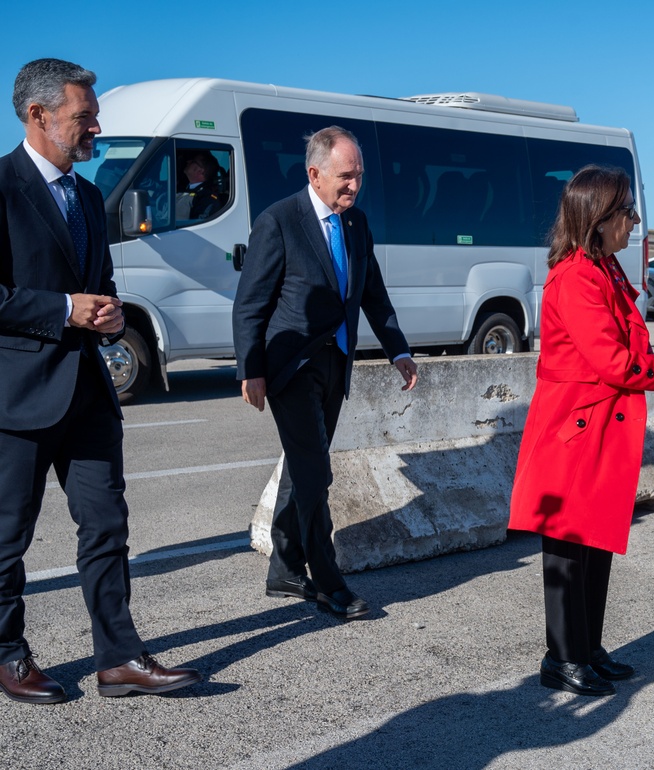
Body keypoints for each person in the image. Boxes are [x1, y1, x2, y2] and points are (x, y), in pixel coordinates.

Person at [0, 58, 201, 703]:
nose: (95, 127)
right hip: (19, 396)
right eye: (83, 117)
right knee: (8, 536)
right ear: (38, 116)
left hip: (88, 392)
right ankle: (7, 656)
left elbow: (100, 287)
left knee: (107, 527)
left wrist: (110, 316)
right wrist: (65, 309)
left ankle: (118, 658)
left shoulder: (87, 195)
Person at [508, 165, 654, 697]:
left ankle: (587, 646)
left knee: (593, 540)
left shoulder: (604, 267)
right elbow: (614, 362)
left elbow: (631, 350)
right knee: (568, 547)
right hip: (576, 427)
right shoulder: (577, 275)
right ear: (598, 218)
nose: (634, 222)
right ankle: (563, 655)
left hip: (596, 425)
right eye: (627, 212)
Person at [233, 126, 418, 620]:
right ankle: (328, 580)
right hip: (290, 367)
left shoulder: (355, 225)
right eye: (345, 176)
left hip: (336, 363)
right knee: (317, 473)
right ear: (314, 174)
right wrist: (250, 369)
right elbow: (250, 303)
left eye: (359, 176)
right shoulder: (279, 221)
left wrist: (398, 349)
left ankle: (285, 568)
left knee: (302, 469)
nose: (354, 186)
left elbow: (373, 294)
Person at [176, 150, 222, 220]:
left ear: (200, 171)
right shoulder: (179, 188)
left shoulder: (207, 200)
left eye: (193, 161)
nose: (188, 162)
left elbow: (198, 225)